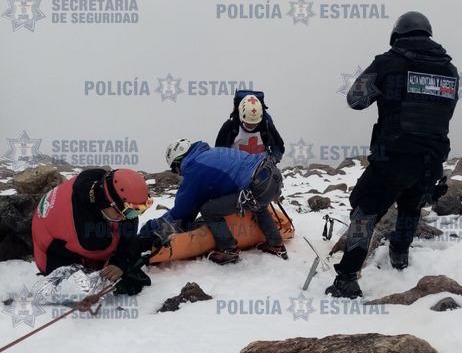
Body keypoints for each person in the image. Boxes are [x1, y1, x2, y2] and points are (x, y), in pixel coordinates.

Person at [326, 11, 459, 298]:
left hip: (394, 158)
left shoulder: (387, 62)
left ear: (397, 35)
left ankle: (347, 278)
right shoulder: (450, 71)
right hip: (431, 161)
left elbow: (355, 99)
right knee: (411, 207)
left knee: (365, 212)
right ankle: (399, 256)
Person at [139, 138, 288, 265]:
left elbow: (182, 211)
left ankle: (228, 249)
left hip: (257, 185)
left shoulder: (194, 168)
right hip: (270, 176)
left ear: (178, 162)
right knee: (257, 205)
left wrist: (154, 225)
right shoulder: (207, 155)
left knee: (209, 210)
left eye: (174, 169)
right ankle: (276, 244)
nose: (178, 173)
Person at [32, 168, 154, 295]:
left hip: (54, 225)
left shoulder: (97, 179)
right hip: (51, 252)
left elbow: (129, 226)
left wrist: (121, 260)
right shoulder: (91, 236)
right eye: (129, 211)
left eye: (139, 210)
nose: (133, 216)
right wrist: (120, 263)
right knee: (83, 288)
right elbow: (117, 251)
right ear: (108, 202)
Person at [215, 90, 285, 164]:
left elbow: (279, 147)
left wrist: (272, 160)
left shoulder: (266, 125)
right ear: (241, 117)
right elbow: (218, 151)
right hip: (235, 168)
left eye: (255, 124)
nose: (252, 126)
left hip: (260, 168)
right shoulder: (231, 126)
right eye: (248, 124)